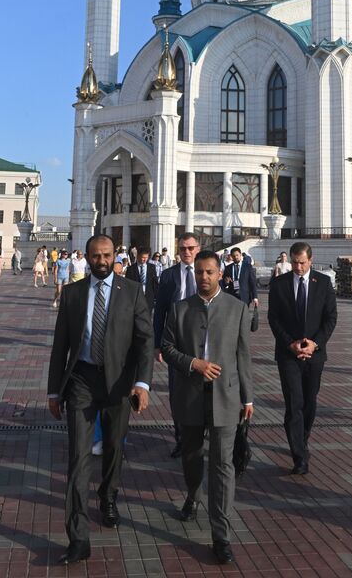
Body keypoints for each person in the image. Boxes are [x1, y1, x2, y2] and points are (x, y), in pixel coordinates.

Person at [47, 233, 153, 565]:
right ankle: (78, 538)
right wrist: (53, 390)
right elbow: (60, 344)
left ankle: (108, 496)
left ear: (114, 257)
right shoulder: (73, 293)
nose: (102, 261)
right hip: (81, 380)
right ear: (88, 257)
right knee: (78, 458)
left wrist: (142, 383)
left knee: (113, 448)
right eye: (96, 256)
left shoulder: (132, 291)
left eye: (107, 255)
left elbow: (145, 340)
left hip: (118, 384)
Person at [161, 248, 253, 566]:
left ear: (220, 274)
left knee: (223, 465)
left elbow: (243, 355)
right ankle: (192, 494)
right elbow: (167, 348)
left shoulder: (237, 309)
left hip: (226, 396)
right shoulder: (180, 309)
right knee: (191, 456)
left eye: (210, 272)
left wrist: (248, 397)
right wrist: (194, 363)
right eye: (199, 272)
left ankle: (221, 536)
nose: (204, 277)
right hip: (190, 396)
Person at [268, 242, 337, 474]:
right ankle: (299, 455)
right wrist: (290, 343)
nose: (298, 267)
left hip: (314, 354)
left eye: (302, 263)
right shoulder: (279, 284)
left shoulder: (323, 283)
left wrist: (315, 344)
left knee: (309, 403)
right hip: (288, 354)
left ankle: (302, 439)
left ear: (311, 261)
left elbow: (331, 317)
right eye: (295, 263)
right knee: (294, 403)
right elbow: (274, 318)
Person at [154, 233, 200, 457]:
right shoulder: (169, 275)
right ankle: (181, 437)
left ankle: (199, 434)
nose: (187, 252)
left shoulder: (206, 272)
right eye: (182, 248)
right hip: (176, 342)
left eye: (190, 248)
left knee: (202, 390)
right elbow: (160, 311)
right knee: (177, 391)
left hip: (202, 341)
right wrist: (157, 344)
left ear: (198, 249)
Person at [125, 243, 159, 312]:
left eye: (146, 257)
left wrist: (157, 297)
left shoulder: (152, 268)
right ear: (138, 256)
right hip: (135, 299)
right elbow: (127, 285)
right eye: (143, 257)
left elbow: (154, 283)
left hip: (148, 299)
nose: (145, 259)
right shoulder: (131, 269)